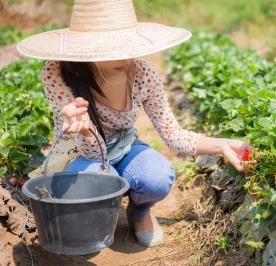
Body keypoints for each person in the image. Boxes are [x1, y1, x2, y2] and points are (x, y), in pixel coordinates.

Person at [17, 0, 253, 247]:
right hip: (78, 154)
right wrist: (85, 129)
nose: (126, 56)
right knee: (98, 180)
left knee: (157, 178)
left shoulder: (142, 74)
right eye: (112, 48)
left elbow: (173, 135)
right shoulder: (58, 72)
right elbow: (92, 153)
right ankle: (102, 210)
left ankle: (139, 212)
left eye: (127, 45)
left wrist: (224, 144)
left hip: (123, 145)